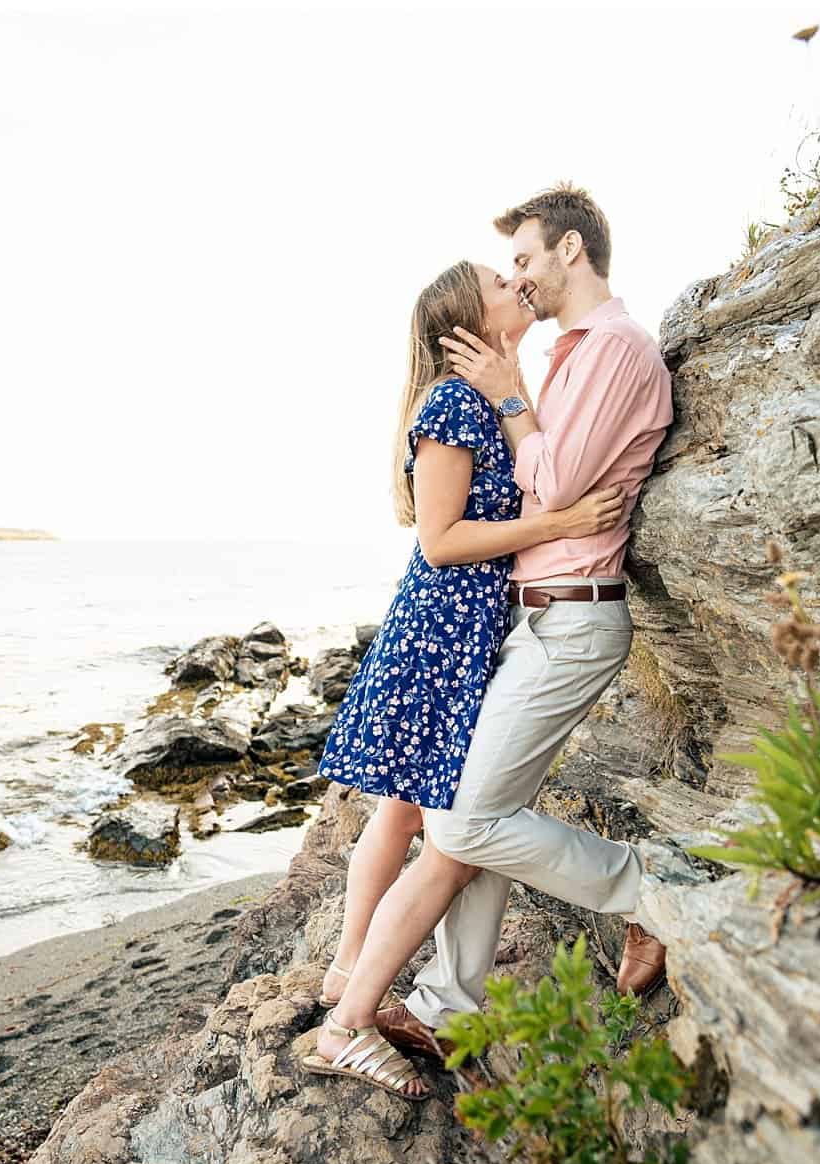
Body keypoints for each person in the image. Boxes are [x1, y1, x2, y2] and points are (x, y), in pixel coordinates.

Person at [318, 182, 676, 1083]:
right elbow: (501, 512)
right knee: (448, 817)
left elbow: (549, 481)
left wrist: (515, 401)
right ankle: (439, 1006)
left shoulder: (611, 351)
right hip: (514, 620)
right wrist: (521, 412)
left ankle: (647, 893)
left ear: (570, 251)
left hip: (565, 619)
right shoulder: (534, 371)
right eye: (501, 269)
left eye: (522, 258)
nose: (516, 276)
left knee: (463, 819)